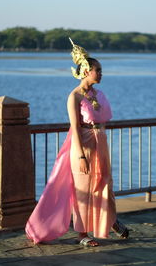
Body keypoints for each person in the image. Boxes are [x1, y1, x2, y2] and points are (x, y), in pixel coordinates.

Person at [25, 38, 128, 247]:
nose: (100, 73)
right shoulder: (74, 97)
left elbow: (102, 119)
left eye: (100, 70)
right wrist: (81, 155)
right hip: (83, 145)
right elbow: (75, 127)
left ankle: (110, 220)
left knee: (105, 184)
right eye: (97, 70)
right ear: (85, 71)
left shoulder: (99, 94)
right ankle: (82, 234)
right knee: (83, 189)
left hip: (100, 143)